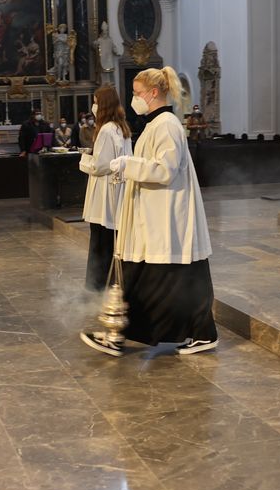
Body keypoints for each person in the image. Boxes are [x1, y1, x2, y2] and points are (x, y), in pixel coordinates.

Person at [81, 66, 217, 356]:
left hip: (165, 215)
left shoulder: (166, 124)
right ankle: (124, 334)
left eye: (137, 93)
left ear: (154, 93)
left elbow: (164, 170)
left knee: (153, 275)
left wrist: (126, 164)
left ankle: (118, 335)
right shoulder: (156, 124)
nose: (133, 98)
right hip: (155, 214)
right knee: (163, 276)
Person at [80, 86, 133, 291]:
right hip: (117, 188)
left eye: (95, 101)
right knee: (111, 241)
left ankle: (95, 288)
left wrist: (83, 160)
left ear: (102, 104)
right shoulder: (121, 127)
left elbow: (100, 165)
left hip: (104, 192)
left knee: (100, 243)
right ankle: (113, 284)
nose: (93, 106)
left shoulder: (106, 130)